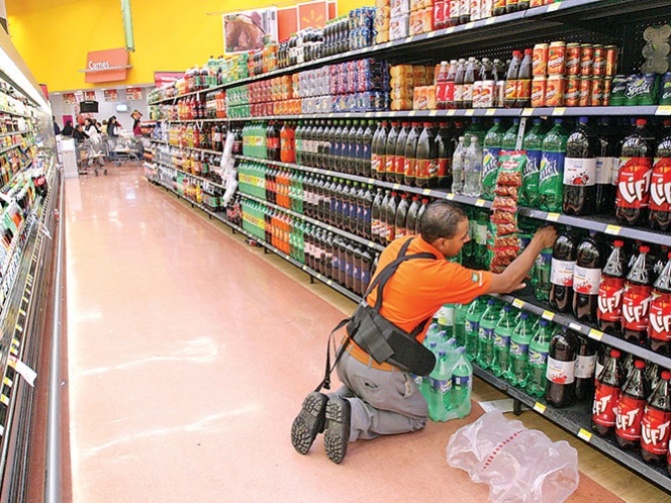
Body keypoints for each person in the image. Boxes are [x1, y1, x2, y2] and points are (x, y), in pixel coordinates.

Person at [290, 201, 558, 464]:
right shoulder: (441, 274)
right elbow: (508, 281)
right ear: (441, 243)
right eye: (463, 237)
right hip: (377, 369)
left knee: (364, 387)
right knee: (415, 417)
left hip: (348, 350)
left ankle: (329, 403)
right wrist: (538, 241)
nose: (467, 241)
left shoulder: (400, 246)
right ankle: (353, 417)